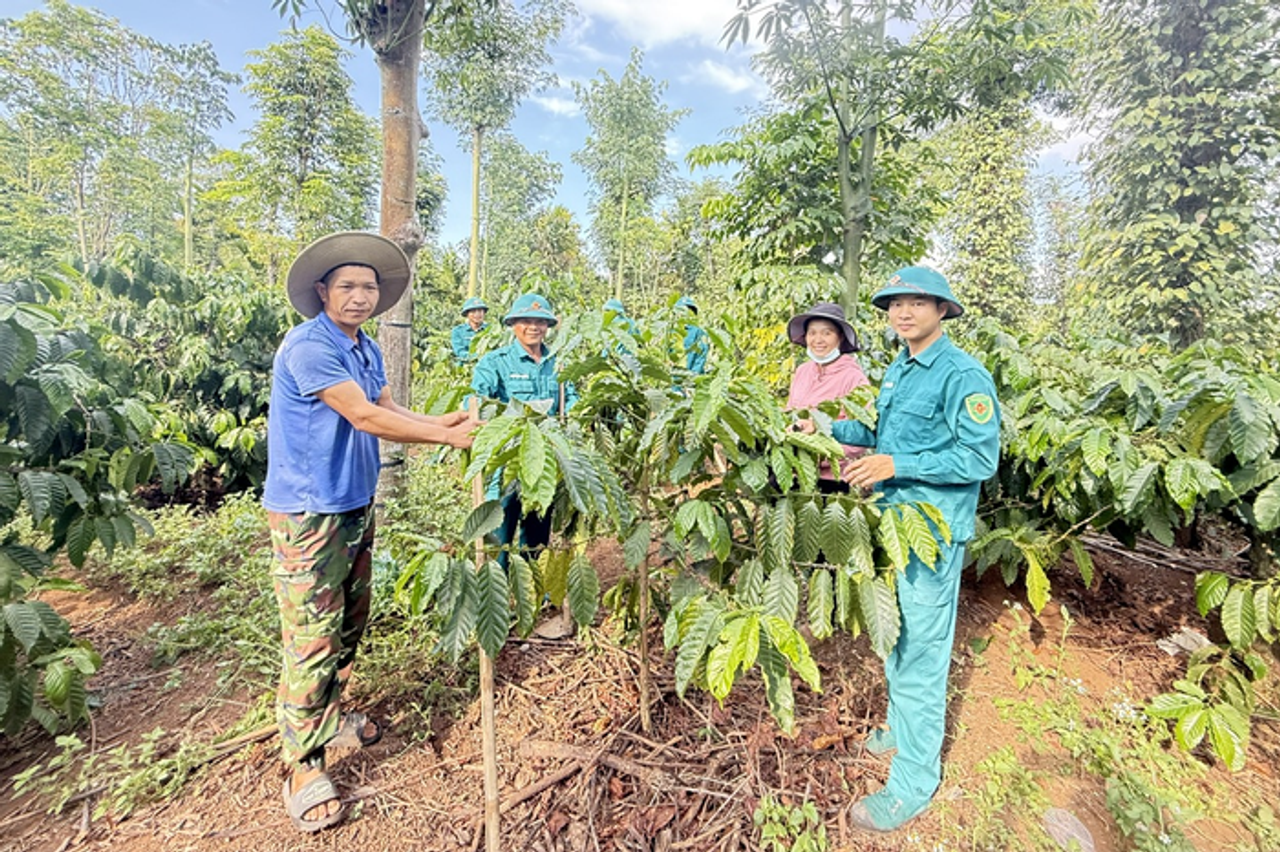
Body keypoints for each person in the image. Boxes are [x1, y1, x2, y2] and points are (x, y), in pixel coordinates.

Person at [263, 231, 477, 834]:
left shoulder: (365, 346)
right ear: (322, 290)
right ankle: (303, 764)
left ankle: (328, 717)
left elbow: (385, 405)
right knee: (312, 634)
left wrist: (440, 420)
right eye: (348, 286)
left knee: (350, 623)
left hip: (355, 503)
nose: (360, 296)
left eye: (369, 287)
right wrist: (446, 437)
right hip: (310, 512)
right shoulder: (310, 346)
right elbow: (361, 416)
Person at [798, 267, 1000, 833]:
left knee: (922, 654)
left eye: (917, 303)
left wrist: (898, 465)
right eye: (895, 305)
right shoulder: (899, 369)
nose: (903, 313)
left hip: (931, 532)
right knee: (897, 635)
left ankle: (913, 781)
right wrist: (820, 423)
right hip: (891, 524)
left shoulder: (963, 375)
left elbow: (980, 459)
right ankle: (898, 727)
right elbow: (879, 432)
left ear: (942, 310)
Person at [470, 293, 578, 572]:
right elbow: (476, 400)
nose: (534, 327)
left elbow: (572, 400)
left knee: (538, 531)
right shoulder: (496, 362)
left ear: (548, 326)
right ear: (513, 325)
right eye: (526, 321)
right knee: (500, 529)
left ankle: (532, 586)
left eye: (540, 322)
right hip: (508, 460)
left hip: (546, 460)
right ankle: (498, 584)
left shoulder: (559, 362)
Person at [784, 302, 870, 491]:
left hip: (833, 479)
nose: (818, 340)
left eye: (826, 333)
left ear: (840, 337)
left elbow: (862, 434)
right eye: (812, 333)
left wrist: (821, 453)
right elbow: (790, 413)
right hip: (795, 471)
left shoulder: (853, 378)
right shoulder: (802, 371)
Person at [674, 295, 709, 375]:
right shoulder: (671, 331)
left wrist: (692, 376)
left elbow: (701, 357)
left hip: (692, 376)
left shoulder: (698, 332)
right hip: (674, 377)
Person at [451, 296, 489, 363]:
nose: (477, 314)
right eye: (473, 311)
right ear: (467, 314)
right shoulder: (458, 331)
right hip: (465, 365)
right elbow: (459, 352)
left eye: (480, 311)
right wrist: (477, 356)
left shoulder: (491, 329)